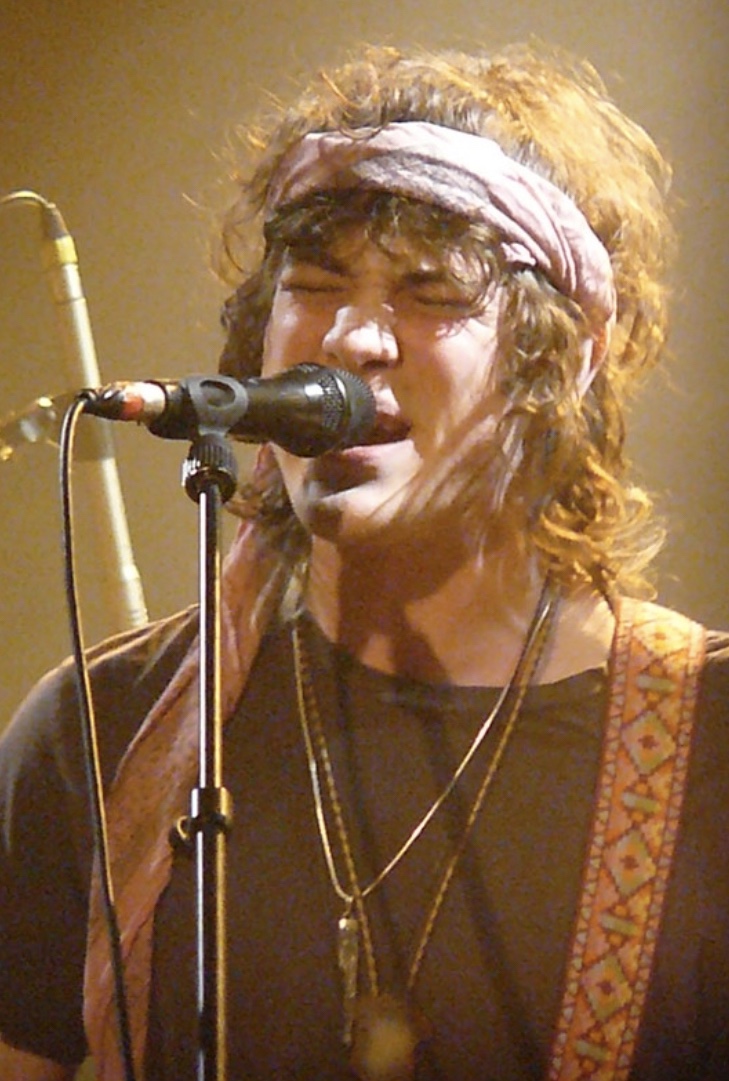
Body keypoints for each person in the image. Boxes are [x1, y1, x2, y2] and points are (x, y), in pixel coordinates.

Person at [0, 39, 727, 1081]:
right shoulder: (100, 732)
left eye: (431, 293)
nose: (352, 337)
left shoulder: (706, 748)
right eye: (314, 282)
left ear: (561, 362)